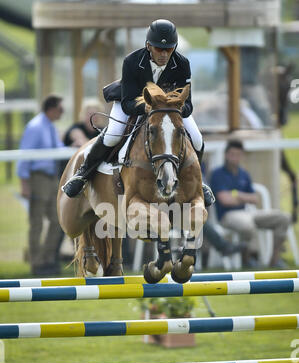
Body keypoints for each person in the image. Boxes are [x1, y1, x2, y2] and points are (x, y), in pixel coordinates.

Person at [62, 19, 215, 207]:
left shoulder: (182, 63)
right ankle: (83, 175)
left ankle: (199, 182)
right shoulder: (132, 61)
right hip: (133, 103)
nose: (164, 54)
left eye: (169, 49)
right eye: (159, 49)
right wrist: (152, 107)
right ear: (149, 45)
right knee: (112, 134)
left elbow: (188, 104)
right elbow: (127, 103)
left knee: (197, 138)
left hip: (169, 110)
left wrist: (170, 107)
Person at [210, 139, 291, 268]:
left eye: (238, 154)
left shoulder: (244, 174)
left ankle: (275, 259)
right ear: (226, 155)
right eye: (232, 154)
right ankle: (247, 259)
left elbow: (255, 199)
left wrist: (236, 194)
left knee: (283, 218)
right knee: (247, 224)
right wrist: (242, 196)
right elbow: (224, 200)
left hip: (248, 213)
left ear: (242, 155)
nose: (235, 158)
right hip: (228, 215)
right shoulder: (217, 174)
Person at [17, 94, 65, 276]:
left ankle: (47, 259)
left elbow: (57, 148)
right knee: (36, 222)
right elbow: (24, 155)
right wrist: (24, 183)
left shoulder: (50, 127)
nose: (62, 113)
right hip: (37, 178)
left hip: (51, 178)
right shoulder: (35, 127)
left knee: (56, 221)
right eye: (61, 109)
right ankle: (36, 263)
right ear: (51, 109)